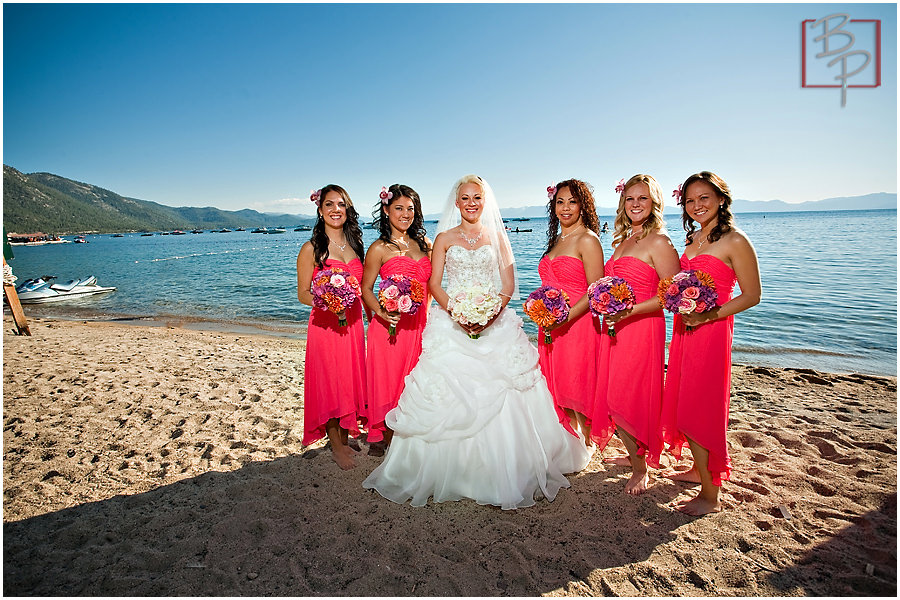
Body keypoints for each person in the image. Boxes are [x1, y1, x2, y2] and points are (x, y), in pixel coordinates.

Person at [362, 174, 591, 509]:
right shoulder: (442, 238)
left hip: (493, 320)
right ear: (457, 202)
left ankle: (513, 464)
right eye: (465, 198)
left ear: (485, 202)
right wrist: (456, 311)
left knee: (508, 388)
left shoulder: (498, 236)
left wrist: (490, 313)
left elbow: (508, 283)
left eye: (477, 198)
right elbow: (435, 284)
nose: (471, 203)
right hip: (452, 322)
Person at [660, 171, 761, 515]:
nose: (697, 205)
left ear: (721, 199)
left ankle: (710, 494)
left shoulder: (735, 240)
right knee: (681, 397)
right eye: (690, 200)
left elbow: (752, 295)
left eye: (704, 197)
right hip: (684, 329)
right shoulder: (693, 239)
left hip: (711, 330)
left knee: (701, 404)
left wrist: (709, 316)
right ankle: (696, 468)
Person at [596, 174, 680, 495]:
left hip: (641, 328)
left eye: (642, 198)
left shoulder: (659, 242)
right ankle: (635, 453)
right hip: (614, 328)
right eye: (630, 199)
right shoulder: (622, 242)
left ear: (654, 202)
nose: (635, 204)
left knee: (629, 394)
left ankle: (641, 468)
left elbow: (672, 294)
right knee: (612, 393)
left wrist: (628, 311)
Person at [296, 184, 367, 470]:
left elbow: (362, 288)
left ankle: (345, 434)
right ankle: (336, 444)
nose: (335, 209)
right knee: (331, 381)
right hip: (325, 327)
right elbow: (302, 293)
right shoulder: (311, 248)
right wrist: (328, 299)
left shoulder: (354, 245)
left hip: (352, 326)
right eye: (329, 204)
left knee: (348, 379)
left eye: (341, 204)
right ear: (320, 209)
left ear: (347, 209)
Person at [361, 184, 432, 456]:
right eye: (399, 208)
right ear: (387, 209)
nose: (405, 214)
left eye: (410, 209)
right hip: (389, 326)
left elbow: (433, 285)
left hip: (420, 325)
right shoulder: (379, 248)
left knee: (414, 379)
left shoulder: (426, 244)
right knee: (388, 379)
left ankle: (410, 432)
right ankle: (382, 433)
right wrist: (380, 312)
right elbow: (365, 288)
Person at [537, 179, 604, 445]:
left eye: (572, 202)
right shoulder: (555, 240)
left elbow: (595, 291)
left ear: (583, 206)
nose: (565, 208)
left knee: (579, 383)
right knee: (559, 384)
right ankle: (569, 441)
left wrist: (563, 317)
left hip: (577, 324)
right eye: (560, 202)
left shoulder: (588, 240)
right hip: (550, 325)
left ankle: (586, 442)